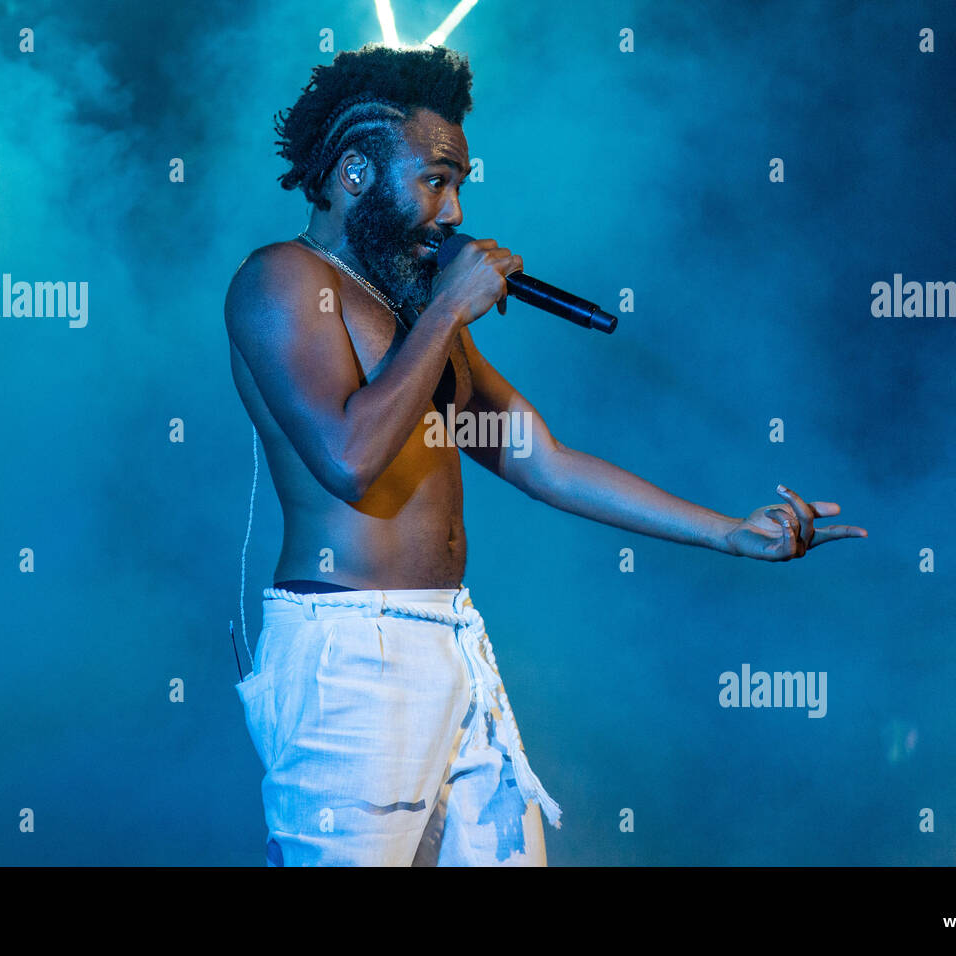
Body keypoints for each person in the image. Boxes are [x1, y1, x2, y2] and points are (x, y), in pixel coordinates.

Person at [224, 43, 867, 867]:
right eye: (435, 179)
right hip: (348, 651)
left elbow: (541, 458)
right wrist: (448, 310)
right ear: (355, 173)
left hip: (450, 639)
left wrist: (732, 534)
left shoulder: (411, 310)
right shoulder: (281, 280)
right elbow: (350, 458)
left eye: (459, 184)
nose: (454, 212)